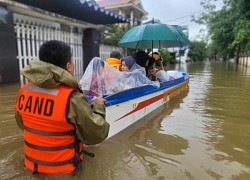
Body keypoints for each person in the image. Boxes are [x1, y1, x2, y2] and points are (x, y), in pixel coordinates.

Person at [15, 40, 110, 174]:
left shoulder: (24, 91)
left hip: (31, 167)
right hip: (64, 173)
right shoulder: (72, 99)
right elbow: (97, 134)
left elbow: (22, 124)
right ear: (68, 66)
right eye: (73, 61)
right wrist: (98, 105)